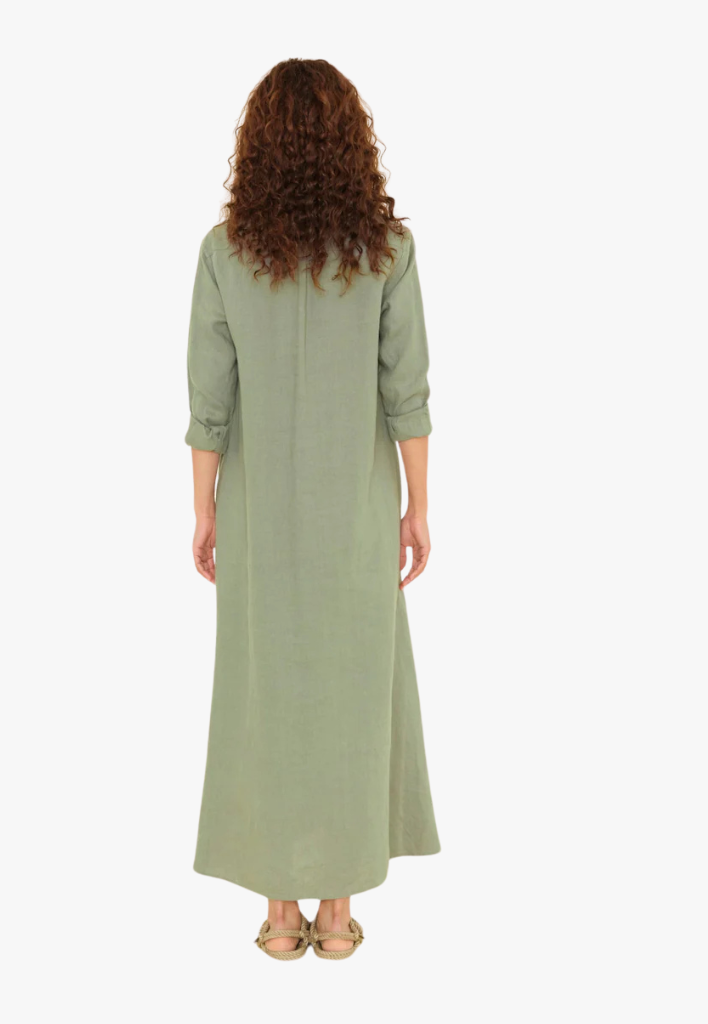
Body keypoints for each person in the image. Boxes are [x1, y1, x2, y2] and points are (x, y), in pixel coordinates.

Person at [185, 58, 439, 961]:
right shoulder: (387, 253)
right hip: (357, 513)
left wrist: (205, 512)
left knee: (266, 695)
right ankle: (338, 915)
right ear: (351, 144)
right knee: (353, 695)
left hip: (258, 516)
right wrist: (417, 507)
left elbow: (209, 402)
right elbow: (407, 392)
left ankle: (279, 913)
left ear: (257, 145)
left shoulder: (225, 253)